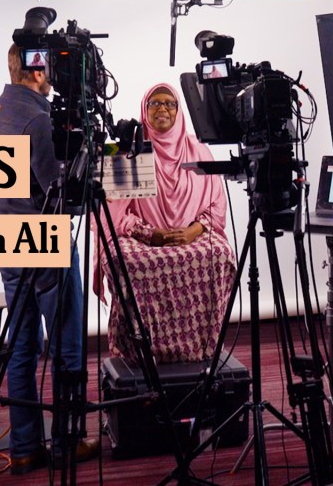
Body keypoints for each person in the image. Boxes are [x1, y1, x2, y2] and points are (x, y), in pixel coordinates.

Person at [0, 43, 99, 475]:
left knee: (21, 346)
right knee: (67, 343)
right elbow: (55, 191)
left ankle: (26, 447)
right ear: (36, 70)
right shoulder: (39, 119)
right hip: (43, 239)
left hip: (3, 235)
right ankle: (68, 441)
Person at [94, 83, 236, 364]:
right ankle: (139, 355)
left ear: (179, 110)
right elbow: (113, 214)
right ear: (144, 111)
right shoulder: (130, 151)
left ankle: (202, 349)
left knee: (219, 253)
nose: (162, 109)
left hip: (192, 233)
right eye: (154, 104)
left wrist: (193, 231)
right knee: (127, 262)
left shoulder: (197, 150)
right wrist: (149, 234)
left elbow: (216, 204)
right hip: (142, 238)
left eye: (169, 104)